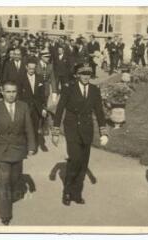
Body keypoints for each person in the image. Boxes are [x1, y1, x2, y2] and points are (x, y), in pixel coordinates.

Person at [52, 64, 109, 206]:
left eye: (88, 74)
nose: (86, 77)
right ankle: (67, 191)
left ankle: (77, 193)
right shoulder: (69, 88)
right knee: (75, 159)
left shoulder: (95, 90)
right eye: (83, 74)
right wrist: (55, 132)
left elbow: (99, 112)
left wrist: (103, 132)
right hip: (72, 127)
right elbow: (59, 110)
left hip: (87, 129)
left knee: (83, 163)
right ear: (77, 74)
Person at [0, 81, 36, 225]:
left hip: (18, 149)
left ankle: (8, 195)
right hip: (1, 150)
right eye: (8, 92)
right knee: (4, 181)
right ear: (2, 92)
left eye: (14, 92)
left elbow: (29, 128)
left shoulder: (23, 106)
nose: (11, 95)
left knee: (14, 179)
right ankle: (5, 214)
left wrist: (31, 146)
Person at [19, 61, 48, 153]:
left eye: (33, 68)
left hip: (36, 107)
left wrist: (43, 108)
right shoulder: (21, 78)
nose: (32, 70)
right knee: (24, 127)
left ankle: (33, 147)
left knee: (35, 127)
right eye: (30, 68)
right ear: (26, 67)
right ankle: (24, 147)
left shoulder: (39, 78)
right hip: (25, 107)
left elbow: (42, 95)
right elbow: (18, 94)